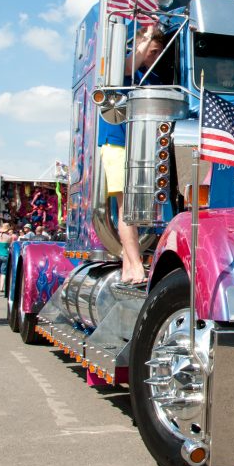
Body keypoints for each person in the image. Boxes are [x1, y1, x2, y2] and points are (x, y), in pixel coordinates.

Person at [98, 24, 167, 284]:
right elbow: (127, 68)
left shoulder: (155, 79)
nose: (156, 56)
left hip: (145, 147)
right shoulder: (122, 72)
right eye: (153, 50)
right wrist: (147, 34)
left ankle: (129, 266)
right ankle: (136, 264)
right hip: (117, 142)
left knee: (138, 209)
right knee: (126, 206)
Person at [0, 223, 15, 292]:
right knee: (3, 272)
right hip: (5, 255)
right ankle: (1, 287)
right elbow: (11, 247)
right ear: (7, 229)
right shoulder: (9, 237)